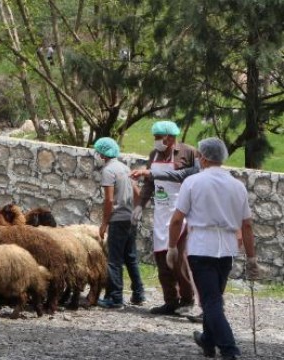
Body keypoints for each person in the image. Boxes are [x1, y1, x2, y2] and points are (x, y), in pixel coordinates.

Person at [166, 137, 261, 360]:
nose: (198, 158)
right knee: (213, 297)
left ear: (205, 158)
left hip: (201, 247)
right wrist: (251, 258)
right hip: (227, 249)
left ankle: (230, 350)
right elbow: (246, 225)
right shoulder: (238, 186)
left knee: (211, 302)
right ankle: (208, 340)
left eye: (199, 155)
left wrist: (172, 247)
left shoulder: (193, 182)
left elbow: (177, 219)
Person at [132, 120, 197, 315]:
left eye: (158, 137)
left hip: (181, 211)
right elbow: (150, 183)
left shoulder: (188, 152)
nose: (156, 141)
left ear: (169, 137)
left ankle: (187, 299)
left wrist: (149, 172)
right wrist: (140, 205)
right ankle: (170, 300)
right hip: (161, 211)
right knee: (161, 258)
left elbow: (189, 177)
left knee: (178, 258)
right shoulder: (154, 155)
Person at [93, 137, 145, 309]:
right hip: (130, 218)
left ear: (102, 154)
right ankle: (138, 294)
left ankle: (115, 298)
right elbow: (137, 193)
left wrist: (104, 223)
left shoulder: (109, 171)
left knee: (114, 260)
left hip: (118, 219)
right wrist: (136, 210)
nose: (97, 155)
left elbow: (108, 200)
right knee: (131, 258)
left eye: (98, 152)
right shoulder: (124, 167)